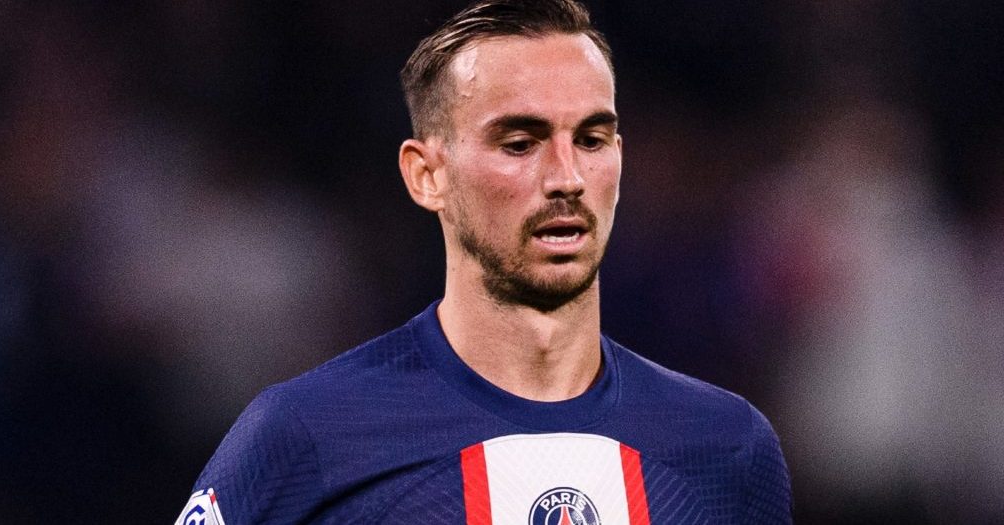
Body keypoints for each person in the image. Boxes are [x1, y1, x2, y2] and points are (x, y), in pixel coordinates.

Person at [175, 1, 792, 523]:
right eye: (520, 143)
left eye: (591, 140)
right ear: (427, 175)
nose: (567, 177)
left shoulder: (728, 449)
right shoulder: (304, 434)